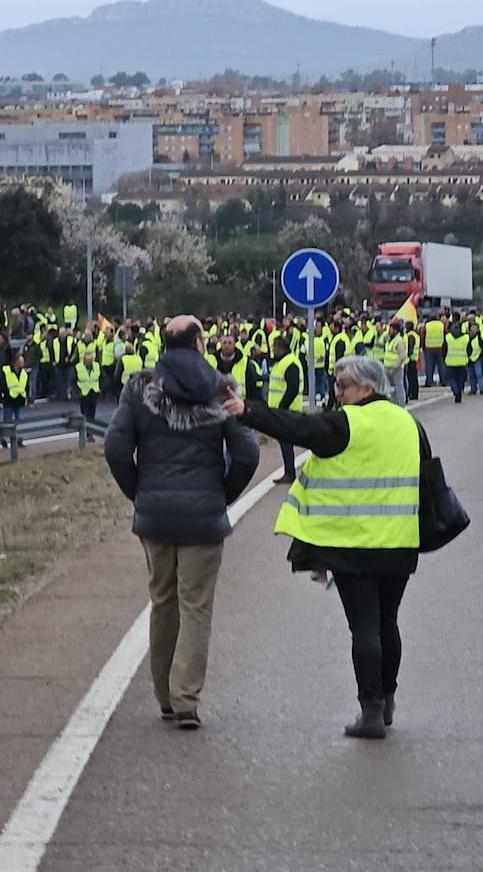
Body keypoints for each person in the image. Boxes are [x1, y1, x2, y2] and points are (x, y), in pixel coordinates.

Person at [227, 355, 426, 739]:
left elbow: (297, 426)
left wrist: (247, 411)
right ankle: (386, 702)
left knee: (365, 626)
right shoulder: (408, 421)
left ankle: (369, 713)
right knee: (388, 621)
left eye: (343, 386)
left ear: (367, 389)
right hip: (400, 542)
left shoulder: (345, 423)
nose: (337, 393)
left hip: (355, 544)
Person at [104, 315, 258, 731]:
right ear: (199, 344)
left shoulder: (140, 388)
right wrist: (222, 494)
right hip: (203, 516)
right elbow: (247, 454)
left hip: (154, 513)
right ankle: (186, 698)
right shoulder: (221, 388)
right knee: (196, 607)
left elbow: (116, 446)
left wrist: (137, 491)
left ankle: (164, 698)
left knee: (163, 602)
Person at [266, 336, 303, 483]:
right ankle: (289, 471)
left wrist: (282, 407)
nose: (272, 349)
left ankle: (290, 472)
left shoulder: (290, 363)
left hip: (287, 410)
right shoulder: (281, 362)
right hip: (281, 410)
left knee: (286, 442)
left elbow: (292, 388)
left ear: (280, 347)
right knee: (285, 442)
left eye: (274, 346)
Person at [442, 321, 469, 404]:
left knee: (452, 379)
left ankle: (455, 391)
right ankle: (459, 394)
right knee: (460, 380)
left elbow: (444, 349)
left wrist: (444, 358)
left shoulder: (448, 337)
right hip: (462, 362)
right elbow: (469, 349)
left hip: (450, 362)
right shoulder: (466, 337)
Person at [76, 348, 102, 423]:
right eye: (87, 360)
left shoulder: (97, 366)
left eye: (90, 360)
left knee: (92, 412)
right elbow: (72, 381)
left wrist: (100, 387)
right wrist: (78, 391)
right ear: (84, 360)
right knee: (84, 413)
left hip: (94, 391)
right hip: (83, 393)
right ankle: (86, 430)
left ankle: (90, 430)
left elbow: (102, 378)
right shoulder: (78, 367)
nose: (89, 362)